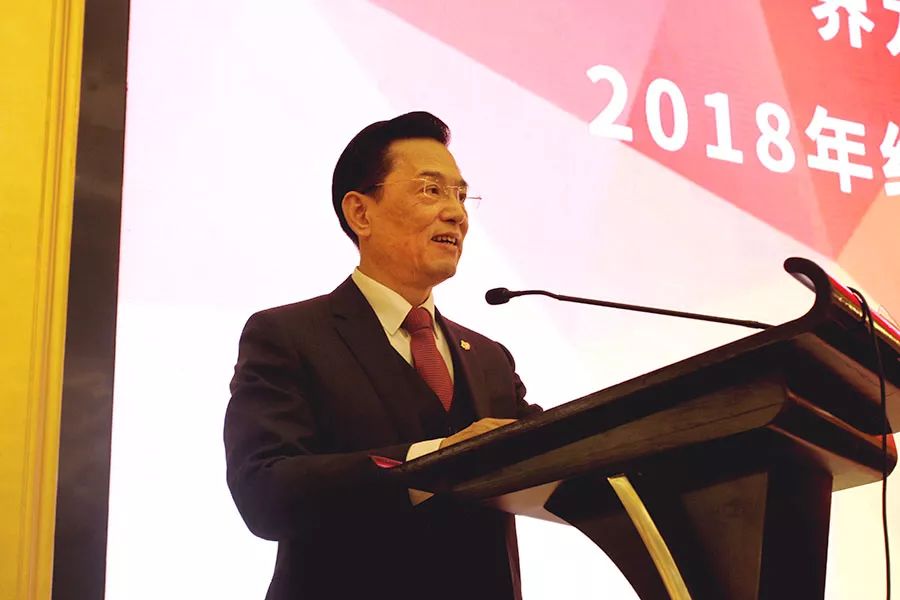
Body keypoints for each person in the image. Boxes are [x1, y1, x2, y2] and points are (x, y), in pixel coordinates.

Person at [224, 111, 541, 600]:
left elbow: (557, 458)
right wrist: (437, 460)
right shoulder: (288, 336)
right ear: (360, 213)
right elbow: (265, 491)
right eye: (431, 190)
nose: (456, 214)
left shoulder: (490, 358)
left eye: (460, 196)